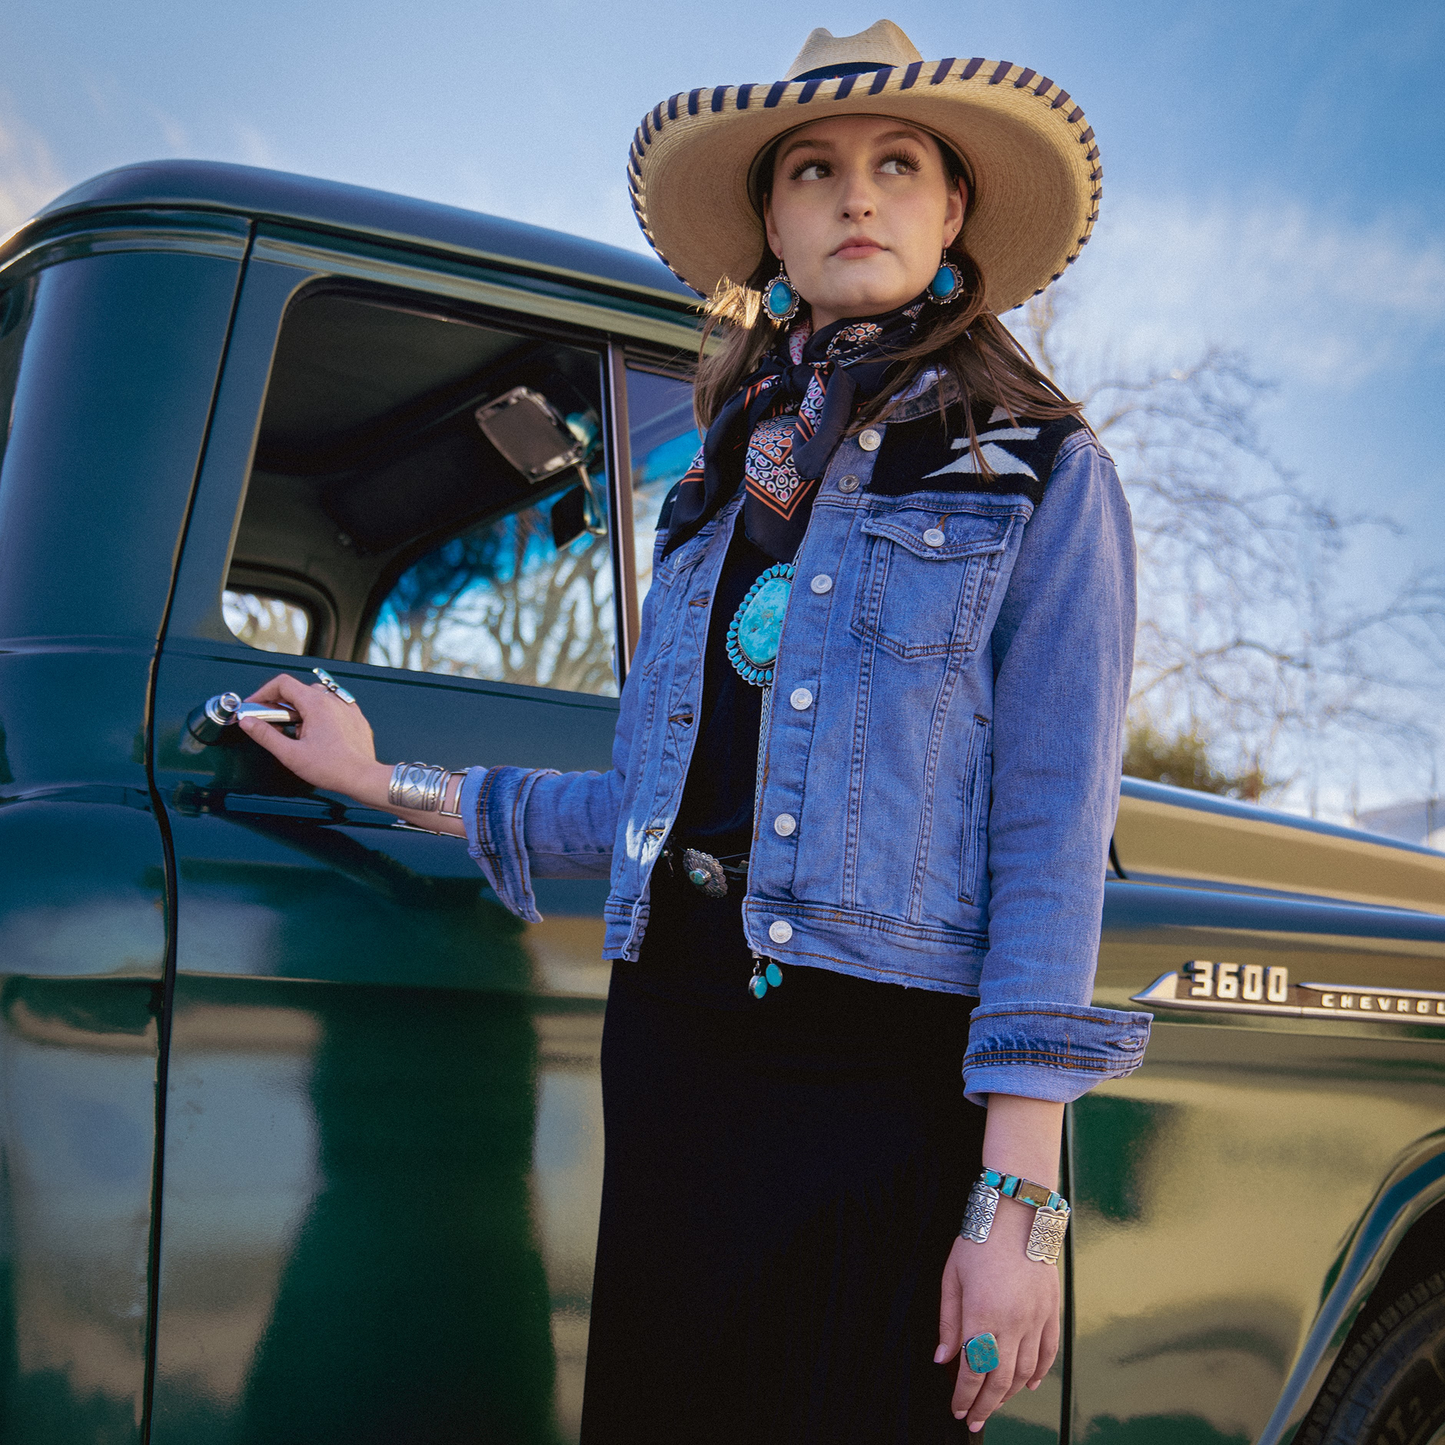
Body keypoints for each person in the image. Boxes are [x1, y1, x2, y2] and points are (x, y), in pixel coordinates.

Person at [240, 19, 1153, 1440]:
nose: (859, 195)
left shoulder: (1041, 470)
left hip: (879, 1071)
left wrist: (1017, 1199)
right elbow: (643, 812)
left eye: (898, 163)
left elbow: (1050, 831)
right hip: (673, 1051)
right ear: (772, 223)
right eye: (815, 169)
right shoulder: (716, 487)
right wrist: (385, 779)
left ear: (953, 208)